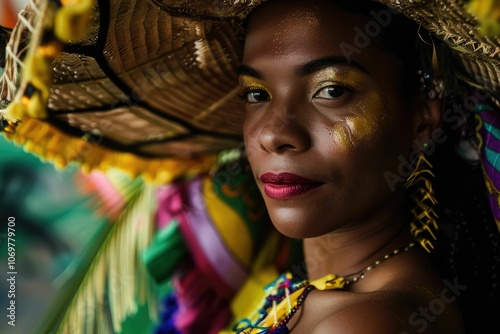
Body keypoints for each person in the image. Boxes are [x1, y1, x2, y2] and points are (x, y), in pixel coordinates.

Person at [0, 0, 498, 333]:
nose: (272, 132)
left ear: (421, 120)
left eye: (331, 90)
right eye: (256, 94)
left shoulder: (365, 322)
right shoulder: (317, 294)